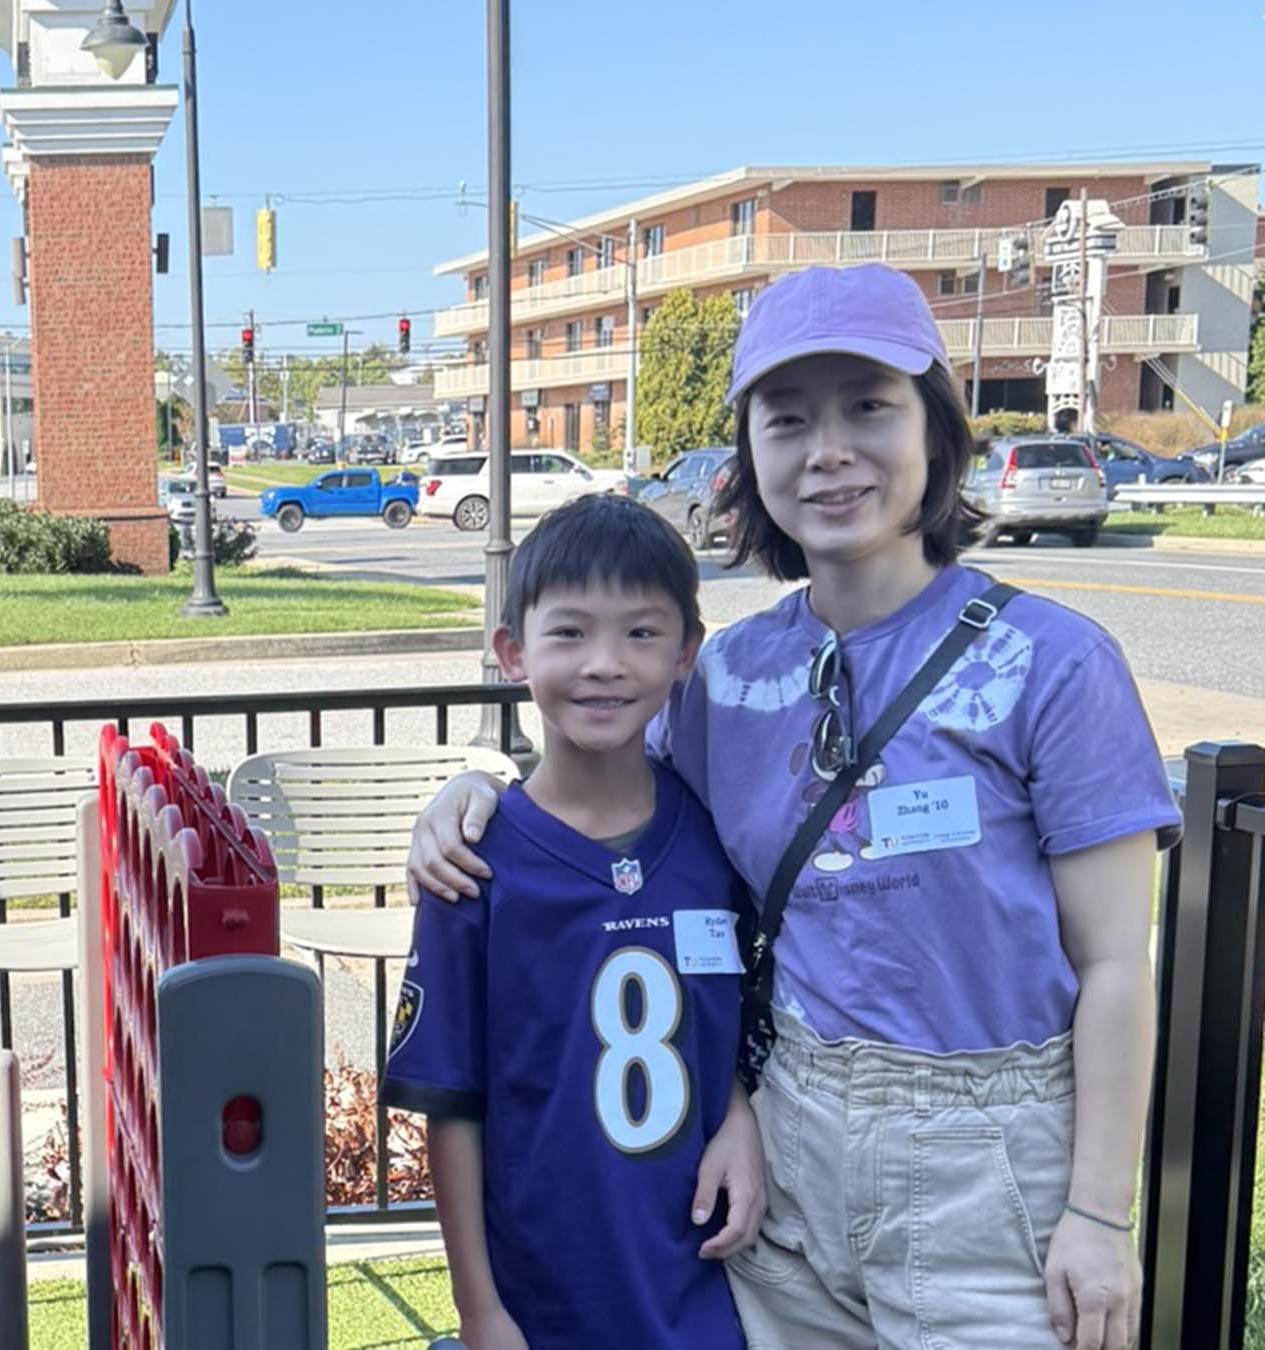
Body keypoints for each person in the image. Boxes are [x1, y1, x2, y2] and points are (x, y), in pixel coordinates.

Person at [409, 263, 1174, 1350]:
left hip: (988, 1172)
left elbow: (1114, 965)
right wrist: (466, 791)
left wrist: (1099, 1212)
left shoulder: (1051, 664)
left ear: (935, 428)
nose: (828, 451)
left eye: (869, 407)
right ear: (749, 453)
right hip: (784, 1161)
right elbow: (599, 783)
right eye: (787, 419)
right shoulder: (727, 676)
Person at [382, 493, 761, 1350]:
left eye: (640, 632)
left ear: (685, 653)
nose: (604, 664)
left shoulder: (713, 841)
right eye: (569, 633)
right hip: (546, 1295)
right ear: (512, 651)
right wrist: (480, 1312)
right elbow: (453, 1108)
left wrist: (736, 1110)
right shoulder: (474, 868)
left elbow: (717, 1027)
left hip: (705, 1287)